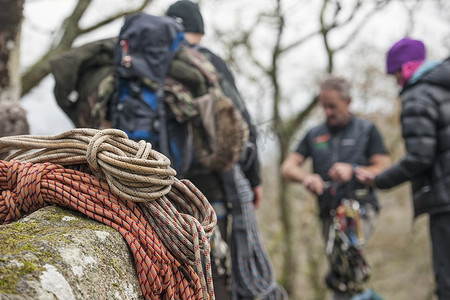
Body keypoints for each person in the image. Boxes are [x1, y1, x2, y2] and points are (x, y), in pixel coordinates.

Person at [166, 2, 277, 300]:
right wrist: (254, 179)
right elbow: (239, 123)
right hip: (211, 184)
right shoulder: (206, 61)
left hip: (159, 185)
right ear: (199, 30)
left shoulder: (151, 65)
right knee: (216, 270)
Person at [280, 76, 390, 300]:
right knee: (339, 265)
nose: (328, 112)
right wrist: (307, 178)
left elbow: (384, 168)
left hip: (359, 208)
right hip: (327, 211)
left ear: (348, 102)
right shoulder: (314, 134)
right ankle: (361, 295)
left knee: (346, 253)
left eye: (333, 106)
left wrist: (354, 169)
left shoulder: (367, 131)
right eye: (324, 106)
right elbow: (288, 167)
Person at [356, 37, 450, 300]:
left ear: (406, 68)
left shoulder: (418, 96)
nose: (396, 81)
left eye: (395, 73)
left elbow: (420, 157)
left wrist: (379, 179)